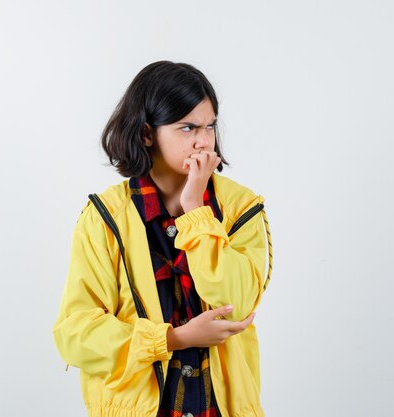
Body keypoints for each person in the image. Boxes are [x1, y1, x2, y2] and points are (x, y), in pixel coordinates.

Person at [52, 60, 273, 417]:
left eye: (209, 126)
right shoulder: (106, 217)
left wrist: (195, 210)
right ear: (146, 134)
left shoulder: (240, 208)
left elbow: (238, 302)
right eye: (187, 128)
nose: (203, 141)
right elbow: (76, 335)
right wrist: (173, 339)